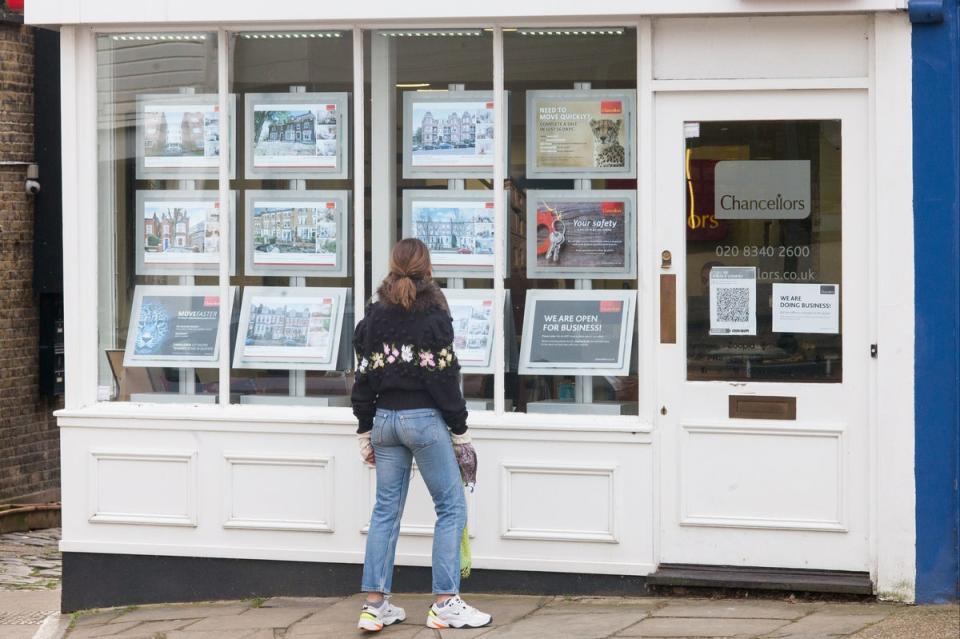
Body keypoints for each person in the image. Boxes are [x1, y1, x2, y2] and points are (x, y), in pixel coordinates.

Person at [352, 238, 492, 632]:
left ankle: (374, 605)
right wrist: (460, 430)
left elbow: (363, 376)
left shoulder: (373, 316)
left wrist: (364, 428)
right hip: (424, 421)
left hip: (384, 420)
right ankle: (445, 602)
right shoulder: (434, 316)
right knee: (451, 508)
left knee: (385, 512)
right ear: (428, 270)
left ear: (392, 268)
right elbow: (445, 379)